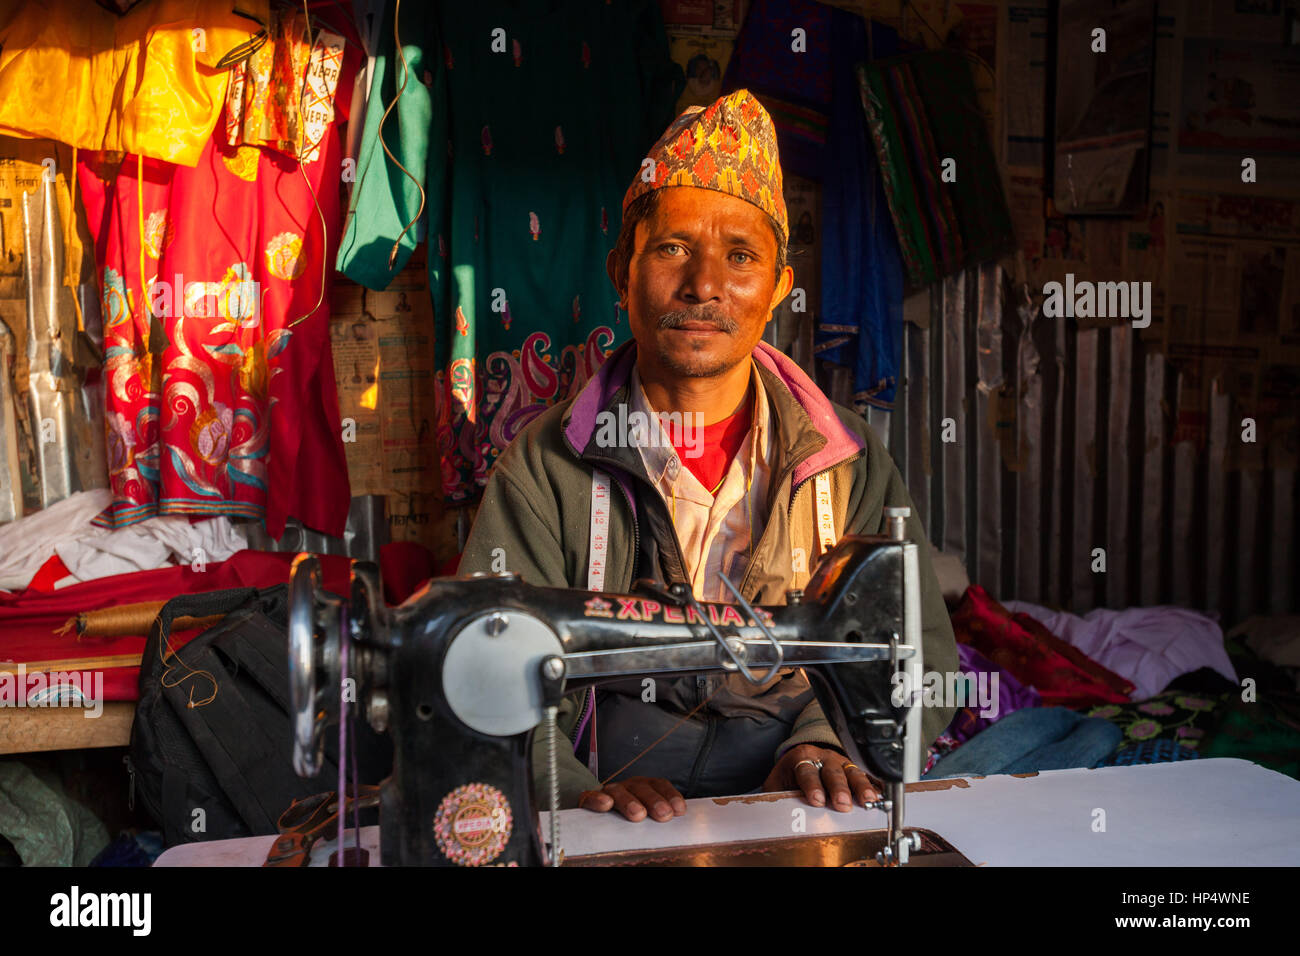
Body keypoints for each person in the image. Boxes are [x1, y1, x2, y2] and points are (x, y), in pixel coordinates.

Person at [460, 90, 957, 822]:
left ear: (780, 288)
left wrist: (826, 742)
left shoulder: (846, 460)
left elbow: (919, 652)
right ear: (621, 272)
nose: (704, 286)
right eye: (671, 249)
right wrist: (569, 788)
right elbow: (484, 668)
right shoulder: (545, 467)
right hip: (610, 787)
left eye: (740, 257)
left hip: (797, 780)